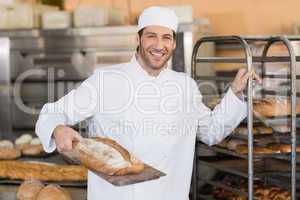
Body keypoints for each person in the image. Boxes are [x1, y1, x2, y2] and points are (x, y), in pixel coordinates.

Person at [35, 6, 261, 200]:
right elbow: (52, 112)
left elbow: (212, 132)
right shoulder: (105, 80)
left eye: (167, 37)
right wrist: (58, 128)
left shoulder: (185, 86)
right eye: (151, 36)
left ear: (173, 44)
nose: (159, 45)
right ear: (138, 39)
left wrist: (235, 93)